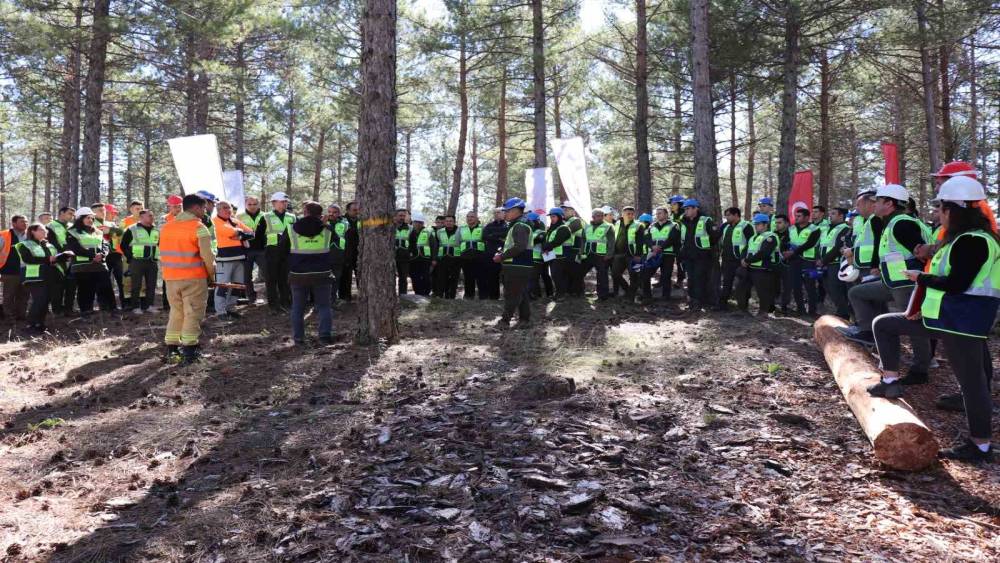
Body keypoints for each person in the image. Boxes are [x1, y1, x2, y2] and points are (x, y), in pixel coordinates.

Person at [868, 176, 997, 462]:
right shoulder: (962, 239)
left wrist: (920, 277)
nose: (937, 213)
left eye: (940, 208)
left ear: (954, 209)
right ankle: (890, 380)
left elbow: (957, 283)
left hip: (962, 323)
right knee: (884, 324)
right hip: (944, 318)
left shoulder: (973, 241)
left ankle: (981, 446)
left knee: (972, 384)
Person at [840, 184, 929, 347]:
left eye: (878, 201)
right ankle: (868, 333)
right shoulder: (890, 223)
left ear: (889, 204)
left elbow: (922, 253)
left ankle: (923, 361)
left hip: (905, 284)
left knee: (912, 323)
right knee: (856, 293)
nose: (874, 204)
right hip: (891, 281)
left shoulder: (901, 224)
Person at [159, 193, 215, 365]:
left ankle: (172, 348)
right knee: (193, 313)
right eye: (203, 208)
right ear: (196, 208)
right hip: (193, 278)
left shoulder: (166, 227)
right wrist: (211, 275)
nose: (205, 212)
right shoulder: (199, 227)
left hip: (170, 278)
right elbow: (207, 257)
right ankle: (190, 351)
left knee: (176, 312)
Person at [277, 201, 335, 345]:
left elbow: (281, 251)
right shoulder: (328, 229)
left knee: (298, 307)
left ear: (305, 213)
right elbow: (338, 247)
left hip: (298, 274)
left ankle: (299, 339)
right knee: (324, 306)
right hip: (322, 273)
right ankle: (325, 337)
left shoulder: (291, 228)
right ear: (320, 214)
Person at [15, 223, 69, 333]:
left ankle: (40, 323)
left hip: (50, 275)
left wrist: (64, 256)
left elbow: (54, 259)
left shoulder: (49, 245)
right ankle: (31, 325)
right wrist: (48, 259)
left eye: (45, 230)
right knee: (40, 300)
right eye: (42, 229)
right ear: (33, 231)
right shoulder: (25, 244)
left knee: (45, 300)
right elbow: (28, 259)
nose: (45, 231)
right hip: (34, 277)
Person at [66, 208, 115, 316]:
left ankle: (110, 309)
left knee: (105, 287)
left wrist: (102, 254)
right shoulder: (72, 232)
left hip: (99, 265)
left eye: (92, 218)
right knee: (85, 289)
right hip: (81, 266)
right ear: (80, 219)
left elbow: (105, 245)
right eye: (87, 218)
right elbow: (74, 248)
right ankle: (86, 311)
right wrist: (93, 255)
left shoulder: (98, 231)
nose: (90, 220)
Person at [494, 198, 534, 328]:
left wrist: (502, 257)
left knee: (512, 295)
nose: (505, 214)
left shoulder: (520, 226)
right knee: (521, 293)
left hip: (517, 266)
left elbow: (519, 247)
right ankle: (524, 320)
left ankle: (504, 322)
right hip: (519, 265)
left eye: (507, 211)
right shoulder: (518, 225)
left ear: (516, 211)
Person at [213, 201, 254, 318]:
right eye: (225, 208)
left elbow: (251, 233)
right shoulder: (216, 221)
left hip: (240, 258)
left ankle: (231, 308)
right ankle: (220, 311)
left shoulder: (235, 221)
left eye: (229, 207)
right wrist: (241, 234)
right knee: (223, 286)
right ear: (218, 210)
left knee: (237, 285)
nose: (228, 210)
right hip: (224, 260)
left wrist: (239, 235)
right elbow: (230, 232)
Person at [736, 213, 781, 316]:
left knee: (763, 292)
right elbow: (745, 250)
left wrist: (747, 261)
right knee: (741, 288)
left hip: (763, 269)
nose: (755, 226)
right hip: (750, 268)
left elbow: (764, 253)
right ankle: (742, 310)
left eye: (758, 224)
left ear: (765, 225)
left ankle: (764, 312)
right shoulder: (753, 237)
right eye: (755, 224)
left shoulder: (770, 237)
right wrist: (743, 259)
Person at [259, 192, 295, 311]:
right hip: (271, 251)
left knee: (285, 279)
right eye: (282, 201)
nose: (284, 204)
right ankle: (273, 305)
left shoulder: (292, 217)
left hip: (288, 251)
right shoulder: (265, 217)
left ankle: (286, 302)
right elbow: (259, 235)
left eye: (286, 202)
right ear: (274, 203)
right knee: (271, 279)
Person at [782, 207, 821, 315]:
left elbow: (810, 243)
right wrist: (785, 252)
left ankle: (812, 311)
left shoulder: (815, 229)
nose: (796, 218)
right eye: (796, 216)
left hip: (809, 261)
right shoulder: (791, 228)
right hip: (794, 261)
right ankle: (800, 310)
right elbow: (785, 241)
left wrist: (793, 252)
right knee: (796, 286)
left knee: (810, 286)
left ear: (807, 217)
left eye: (799, 216)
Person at [678, 199, 717, 309]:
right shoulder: (683, 221)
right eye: (685, 209)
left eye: (688, 208)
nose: (686, 211)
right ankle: (692, 300)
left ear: (695, 209)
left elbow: (714, 236)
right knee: (690, 278)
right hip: (688, 256)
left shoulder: (705, 220)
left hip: (702, 256)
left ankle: (699, 301)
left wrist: (705, 248)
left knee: (699, 278)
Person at [120, 210, 160, 313]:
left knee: (151, 284)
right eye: (149, 216)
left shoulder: (156, 230)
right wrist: (130, 258)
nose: (152, 217)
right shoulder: (132, 229)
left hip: (152, 261)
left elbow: (158, 244)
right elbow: (123, 245)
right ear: (141, 217)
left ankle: (149, 306)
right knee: (136, 285)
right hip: (137, 261)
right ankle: (135, 307)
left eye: (152, 215)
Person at [817, 207, 852, 318]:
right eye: (830, 213)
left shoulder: (845, 228)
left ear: (841, 216)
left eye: (833, 213)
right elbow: (821, 245)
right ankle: (841, 311)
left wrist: (823, 260)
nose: (830, 216)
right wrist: (819, 259)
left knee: (836, 289)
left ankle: (844, 314)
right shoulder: (827, 228)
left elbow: (838, 247)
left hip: (835, 264)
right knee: (827, 288)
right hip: (825, 264)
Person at [717, 207, 753, 310]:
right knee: (726, 283)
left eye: (728, 215)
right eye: (726, 215)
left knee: (742, 284)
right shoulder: (725, 226)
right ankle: (722, 305)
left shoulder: (746, 226)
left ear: (736, 215)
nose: (726, 217)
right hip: (726, 260)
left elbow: (751, 243)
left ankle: (743, 307)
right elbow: (717, 238)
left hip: (741, 262)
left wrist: (745, 259)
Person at [93, 203, 125, 309]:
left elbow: (120, 232)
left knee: (121, 280)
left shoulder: (110, 223)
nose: (104, 213)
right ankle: (104, 305)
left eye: (104, 211)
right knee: (103, 281)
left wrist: (110, 230)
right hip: (102, 255)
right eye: (101, 210)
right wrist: (109, 231)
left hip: (115, 255)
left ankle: (124, 304)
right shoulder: (92, 223)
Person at [646, 206, 680, 300]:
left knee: (666, 276)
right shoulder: (652, 226)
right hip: (654, 254)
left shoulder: (674, 225)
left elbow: (672, 239)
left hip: (668, 254)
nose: (658, 215)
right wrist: (652, 246)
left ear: (666, 214)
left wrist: (660, 247)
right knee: (646, 273)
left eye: (660, 213)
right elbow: (647, 238)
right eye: (656, 213)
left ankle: (666, 297)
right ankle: (647, 296)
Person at [46, 207, 77, 315]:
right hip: (57, 260)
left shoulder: (72, 226)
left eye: (73, 214)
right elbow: (50, 243)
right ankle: (57, 310)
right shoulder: (50, 226)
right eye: (69, 213)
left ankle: (69, 309)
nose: (71, 216)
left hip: (72, 259)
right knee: (57, 287)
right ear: (61, 213)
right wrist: (63, 254)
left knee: (71, 286)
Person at [580, 208, 615, 300]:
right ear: (593, 217)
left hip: (601, 255)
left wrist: (609, 254)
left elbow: (611, 242)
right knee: (579, 272)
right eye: (598, 216)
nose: (600, 217)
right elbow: (583, 239)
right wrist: (581, 252)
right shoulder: (587, 226)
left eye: (602, 216)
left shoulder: (608, 226)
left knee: (602, 275)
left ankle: (603, 296)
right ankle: (579, 291)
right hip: (588, 254)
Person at [238, 196, 267, 303]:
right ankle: (251, 298)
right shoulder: (239, 217)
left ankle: (270, 296)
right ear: (245, 204)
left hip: (262, 250)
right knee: (246, 276)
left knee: (268, 274)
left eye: (255, 204)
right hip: (246, 250)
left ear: (258, 204)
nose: (252, 206)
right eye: (249, 204)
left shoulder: (265, 215)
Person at [0, 215, 29, 321]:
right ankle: (9, 316)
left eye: (26, 221)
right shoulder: (4, 235)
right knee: (9, 295)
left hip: (27, 271)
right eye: (22, 221)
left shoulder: (30, 235)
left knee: (24, 295)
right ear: (14, 223)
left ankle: (21, 315)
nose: (25, 223)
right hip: (9, 271)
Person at [541, 207, 574, 300]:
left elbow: (557, 241)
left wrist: (546, 247)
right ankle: (558, 293)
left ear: (560, 217)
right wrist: (545, 247)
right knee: (555, 275)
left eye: (554, 216)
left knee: (558, 275)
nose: (552, 219)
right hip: (553, 255)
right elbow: (547, 240)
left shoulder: (564, 228)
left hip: (561, 256)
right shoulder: (552, 228)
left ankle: (561, 294)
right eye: (551, 217)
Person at [160, 194, 183, 312]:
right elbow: (162, 233)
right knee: (168, 279)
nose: (177, 209)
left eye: (179, 206)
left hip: (184, 252)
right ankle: (167, 304)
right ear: (169, 207)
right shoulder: (164, 219)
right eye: (175, 206)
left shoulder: (188, 218)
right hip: (169, 254)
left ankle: (181, 302)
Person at [611, 206, 639, 299]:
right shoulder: (617, 223)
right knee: (615, 273)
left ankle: (631, 297)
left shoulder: (638, 225)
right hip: (618, 254)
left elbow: (641, 241)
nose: (630, 216)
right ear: (622, 214)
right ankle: (627, 289)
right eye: (628, 214)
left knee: (634, 276)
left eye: (632, 214)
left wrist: (638, 255)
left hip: (633, 255)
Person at [458, 211, 486, 299]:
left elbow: (486, 241)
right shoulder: (461, 229)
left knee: (481, 277)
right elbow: (457, 242)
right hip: (465, 256)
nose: (469, 218)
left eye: (472, 216)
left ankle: (483, 296)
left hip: (479, 256)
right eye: (468, 216)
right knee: (468, 277)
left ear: (476, 218)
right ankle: (468, 295)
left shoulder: (482, 228)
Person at [561, 202, 586, 298]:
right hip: (569, 250)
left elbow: (565, 232)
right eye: (563, 210)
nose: (564, 212)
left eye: (566, 210)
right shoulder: (566, 221)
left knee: (576, 272)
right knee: (569, 271)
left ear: (573, 211)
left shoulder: (576, 221)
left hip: (577, 250)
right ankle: (570, 290)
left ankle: (578, 291)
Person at [326, 204, 350, 302]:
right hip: (325, 254)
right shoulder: (323, 222)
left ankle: (333, 299)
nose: (331, 214)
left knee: (336, 278)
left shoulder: (344, 224)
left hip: (339, 254)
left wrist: (347, 256)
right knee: (324, 279)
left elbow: (347, 240)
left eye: (334, 212)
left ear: (339, 213)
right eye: (329, 212)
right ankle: (323, 301)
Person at [482, 208, 507, 300]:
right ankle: (494, 297)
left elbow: (507, 234)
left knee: (506, 277)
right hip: (491, 254)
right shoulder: (489, 225)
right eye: (495, 213)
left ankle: (507, 297)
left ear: (503, 213)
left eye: (498, 212)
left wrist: (493, 235)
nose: (496, 214)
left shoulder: (508, 225)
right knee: (492, 276)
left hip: (505, 254)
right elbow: (484, 236)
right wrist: (499, 237)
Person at [433, 214, 460, 298]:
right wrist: (435, 258)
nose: (448, 223)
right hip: (442, 258)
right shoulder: (439, 232)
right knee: (441, 278)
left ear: (454, 222)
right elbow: (436, 246)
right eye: (447, 221)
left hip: (456, 258)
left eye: (451, 221)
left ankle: (451, 296)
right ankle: (440, 295)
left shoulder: (459, 231)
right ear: (444, 222)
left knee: (454, 278)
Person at [338, 201, 360, 301]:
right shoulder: (341, 220)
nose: (357, 212)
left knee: (361, 275)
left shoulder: (362, 220)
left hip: (359, 252)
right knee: (345, 276)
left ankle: (362, 296)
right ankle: (345, 297)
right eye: (354, 210)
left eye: (358, 210)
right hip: (345, 252)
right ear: (347, 210)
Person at [394, 209, 412, 295]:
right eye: (400, 215)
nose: (402, 217)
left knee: (403, 278)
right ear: (395, 216)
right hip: (392, 256)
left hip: (404, 257)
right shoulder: (390, 227)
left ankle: (403, 296)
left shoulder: (410, 228)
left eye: (403, 216)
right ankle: (390, 295)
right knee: (390, 277)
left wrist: (410, 253)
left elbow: (413, 242)